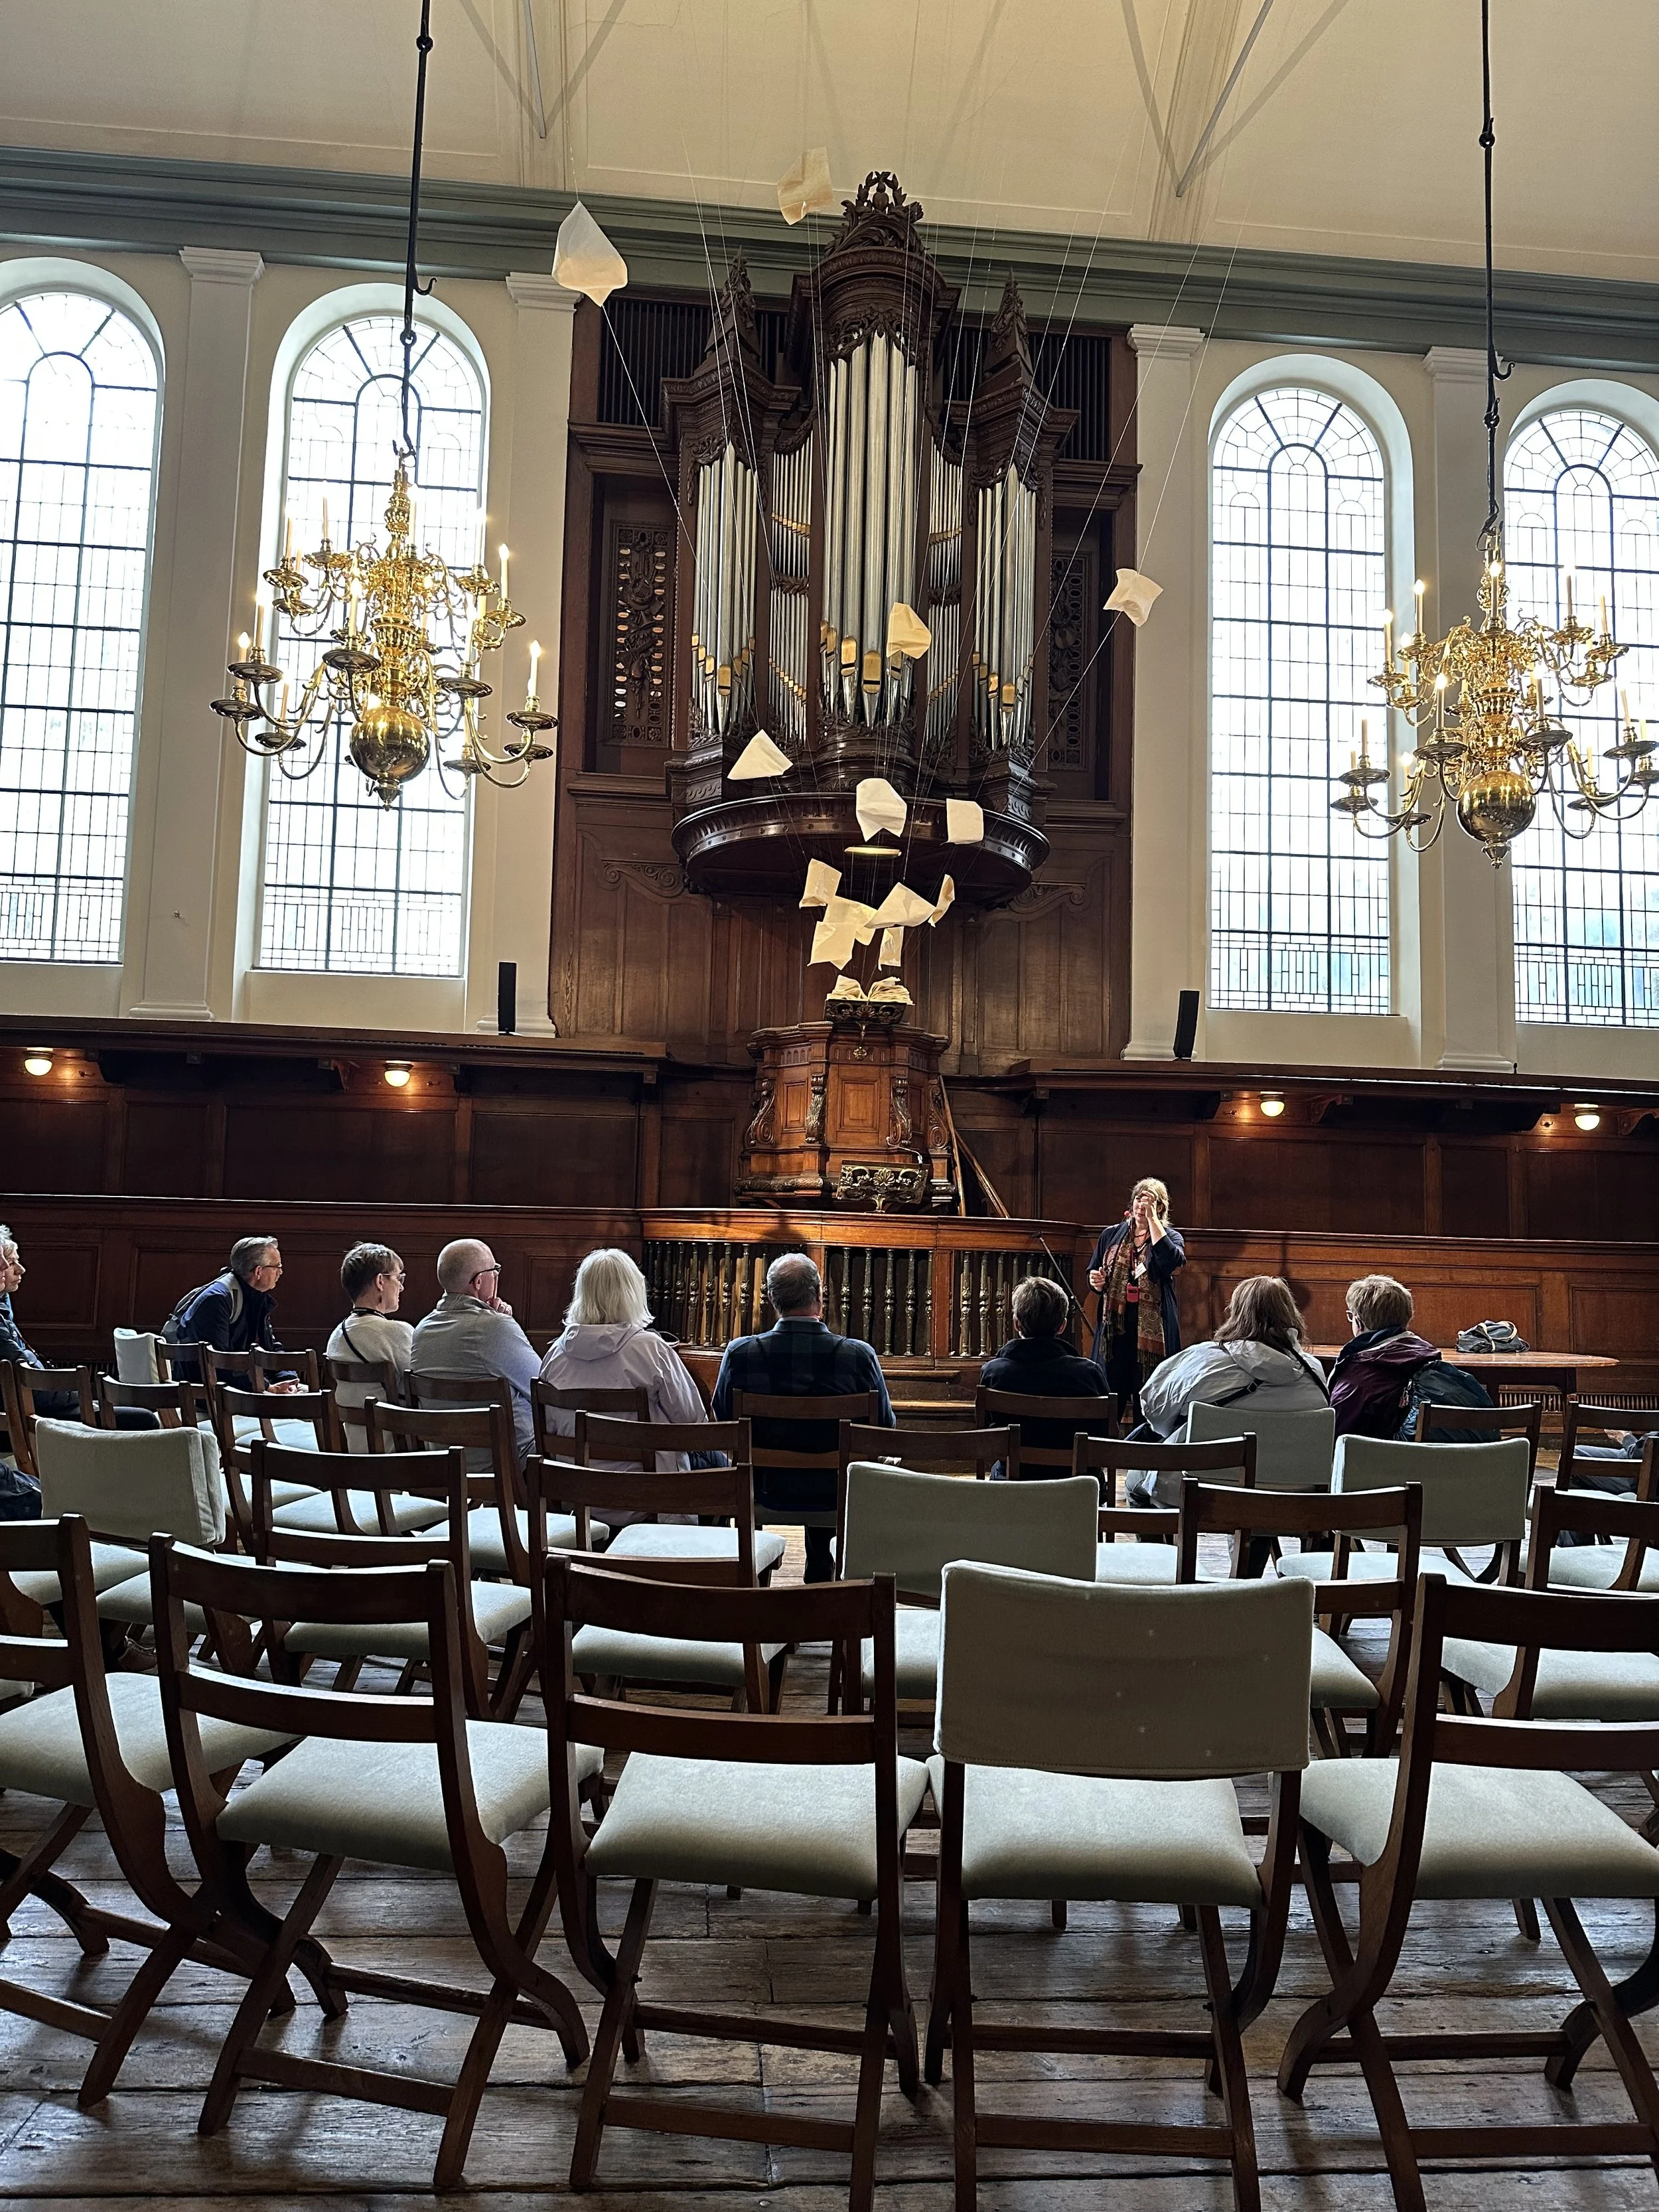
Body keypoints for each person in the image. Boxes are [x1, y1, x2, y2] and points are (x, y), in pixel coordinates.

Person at [711, 1251, 894, 1582]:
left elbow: (723, 1421)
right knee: (826, 1460)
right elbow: (884, 1428)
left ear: (771, 1299)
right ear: (820, 1296)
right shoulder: (858, 1356)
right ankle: (822, 1565)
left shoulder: (741, 1354)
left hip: (764, 1489)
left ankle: (757, 1569)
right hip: (836, 1492)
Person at [1130, 1276, 1331, 1501]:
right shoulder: (1314, 1371)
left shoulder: (1204, 1360)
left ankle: (1158, 1537)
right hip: (1295, 1494)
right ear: (1290, 1314)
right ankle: (1257, 1535)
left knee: (1135, 1483)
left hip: (1202, 1490)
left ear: (1237, 1314)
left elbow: (1155, 1410)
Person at [538, 1248, 707, 1471]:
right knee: (717, 1462)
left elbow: (549, 1431)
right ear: (632, 1294)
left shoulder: (555, 1356)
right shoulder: (651, 1350)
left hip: (577, 1490)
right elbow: (693, 1423)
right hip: (644, 1492)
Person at [0, 1224, 155, 1433]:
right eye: (10, 1263)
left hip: (48, 1401)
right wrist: (79, 1393)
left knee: (140, 1412)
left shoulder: (4, 1303)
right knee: (144, 1419)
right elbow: (29, 1382)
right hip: (39, 1413)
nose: (20, 1269)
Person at [411, 1238, 541, 1466]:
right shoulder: (494, 1328)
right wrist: (503, 1324)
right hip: (509, 1463)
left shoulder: (421, 1331)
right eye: (495, 1271)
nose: (498, 1276)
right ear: (479, 1282)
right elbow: (541, 1387)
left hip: (445, 1461)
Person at [1329, 1274, 1490, 1440]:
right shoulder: (1430, 1359)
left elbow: (1333, 1435)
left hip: (1387, 1464)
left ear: (1359, 1322)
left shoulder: (1359, 1376)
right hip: (1452, 1463)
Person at [979, 1274, 1112, 1473]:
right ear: (1062, 1326)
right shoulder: (1089, 1374)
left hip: (1013, 1485)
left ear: (1016, 1324)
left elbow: (988, 1437)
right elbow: (1104, 1438)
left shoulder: (993, 1374)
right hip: (1076, 1486)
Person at [1088, 1177, 1185, 1418]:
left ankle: (1147, 1452)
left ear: (1160, 1207)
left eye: (1149, 1200)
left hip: (1152, 1334)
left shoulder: (1171, 1238)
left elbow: (1170, 1261)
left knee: (1149, 1400)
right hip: (1115, 1332)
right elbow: (1094, 1271)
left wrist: (1152, 1221)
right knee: (1109, 1401)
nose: (1141, 1204)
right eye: (1138, 1199)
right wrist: (1095, 1281)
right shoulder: (1111, 1235)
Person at [159, 1236, 301, 1390]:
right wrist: (267, 1388)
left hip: (243, 1385)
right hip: (207, 1393)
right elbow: (219, 1362)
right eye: (277, 1266)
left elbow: (270, 1347)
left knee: (308, 1399)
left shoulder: (256, 1297)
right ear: (258, 1271)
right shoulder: (217, 1300)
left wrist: (289, 1379)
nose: (281, 1272)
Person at [325, 1243, 414, 1445]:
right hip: (400, 1453)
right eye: (398, 1278)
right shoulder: (397, 1332)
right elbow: (425, 1386)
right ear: (380, 1281)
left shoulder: (336, 1336)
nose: (401, 1286)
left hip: (356, 1450)